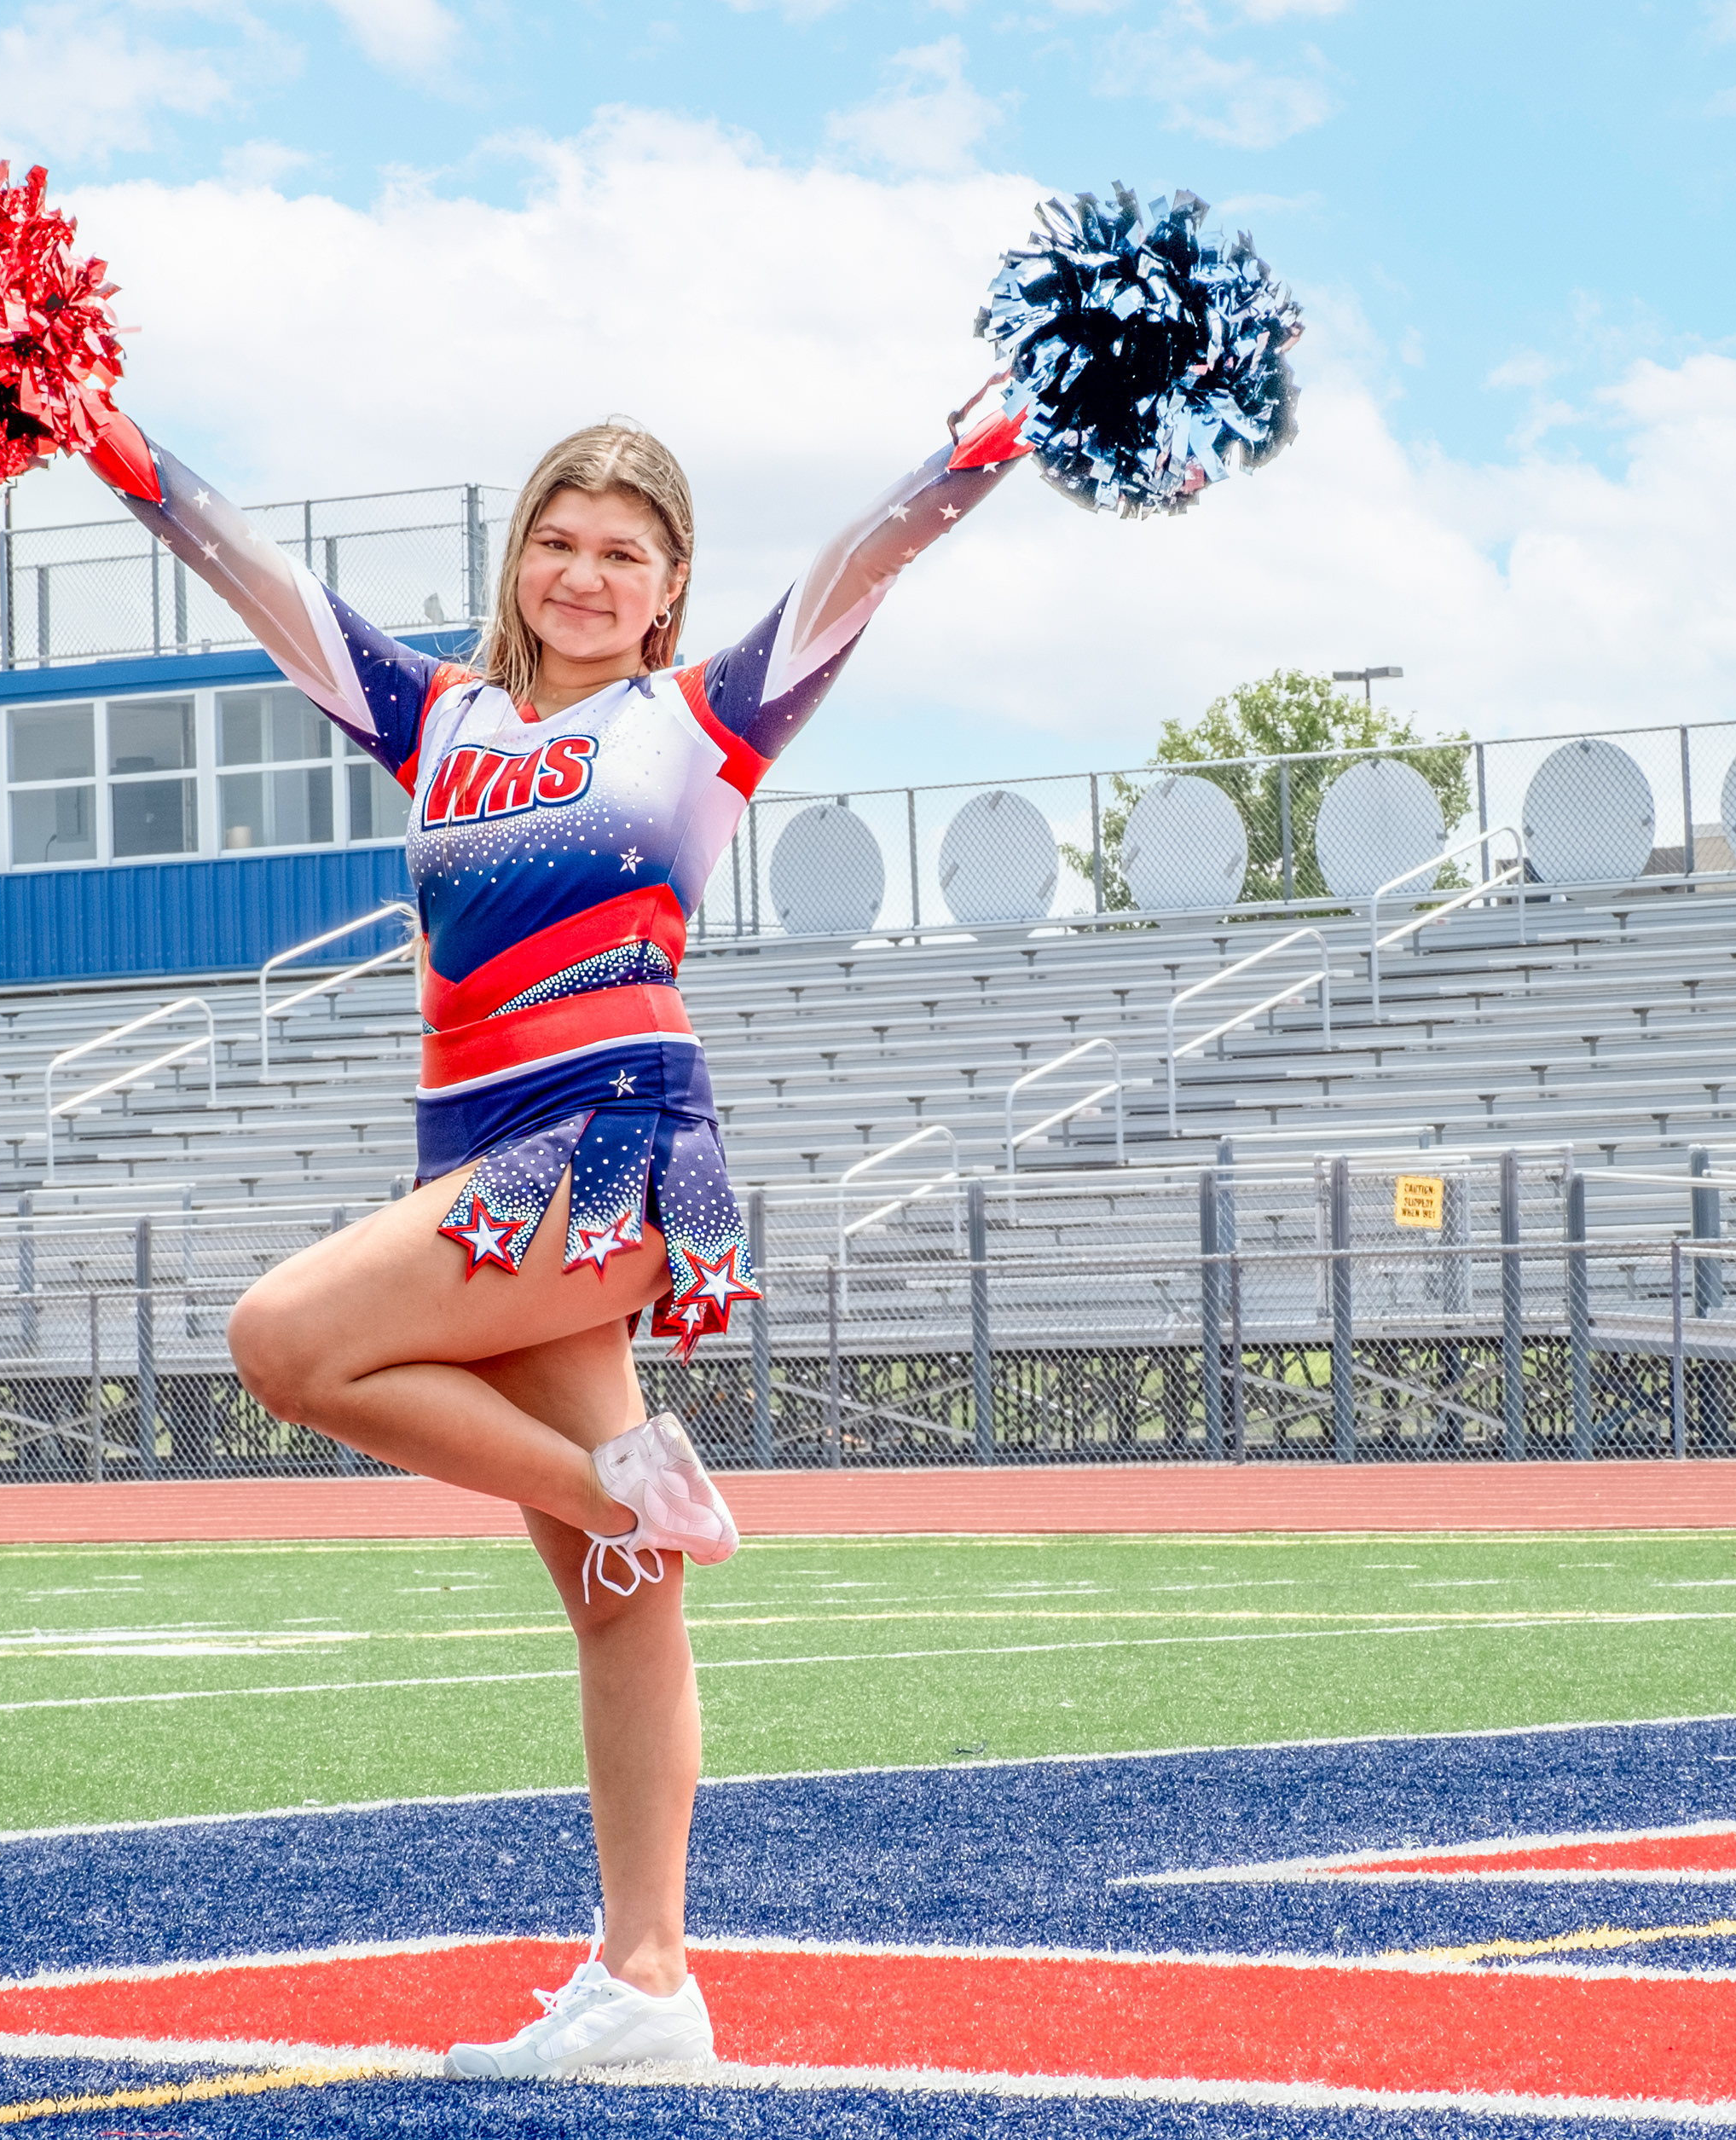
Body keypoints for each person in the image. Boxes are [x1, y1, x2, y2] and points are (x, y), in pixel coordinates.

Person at [75, 393, 1031, 2074]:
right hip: (476, 1154)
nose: (586, 576)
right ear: (518, 560)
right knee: (616, 1598)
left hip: (605, 1150)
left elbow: (857, 566)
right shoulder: (435, 716)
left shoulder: (701, 721)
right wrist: (117, 447)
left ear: (670, 590)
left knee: (283, 1341)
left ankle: (624, 1487)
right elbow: (258, 581)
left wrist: (970, 462)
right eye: (559, 542)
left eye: (624, 555)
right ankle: (649, 1982)